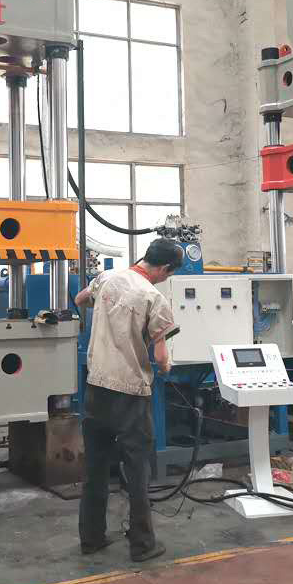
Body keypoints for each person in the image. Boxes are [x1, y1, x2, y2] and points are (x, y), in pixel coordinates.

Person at [74, 237, 183, 562]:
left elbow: (80, 299)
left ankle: (91, 538)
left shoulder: (108, 278)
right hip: (130, 393)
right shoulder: (153, 297)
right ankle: (142, 544)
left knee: (95, 467)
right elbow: (161, 356)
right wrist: (165, 366)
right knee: (137, 470)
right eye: (169, 274)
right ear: (164, 268)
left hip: (96, 387)